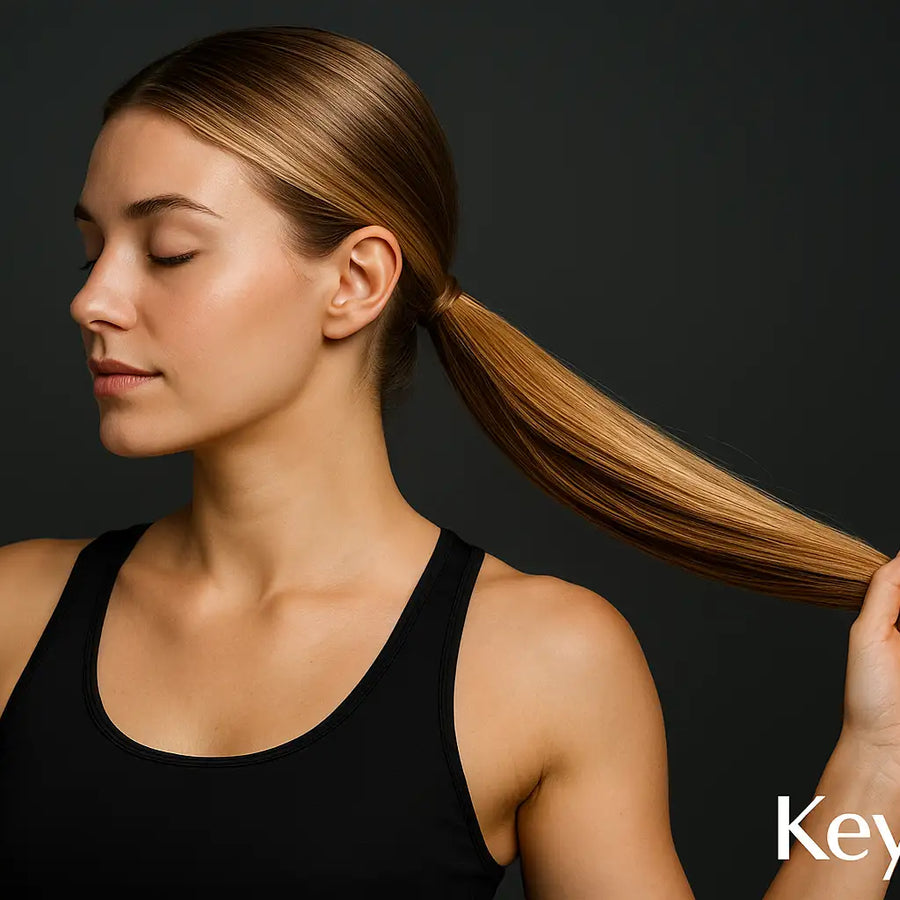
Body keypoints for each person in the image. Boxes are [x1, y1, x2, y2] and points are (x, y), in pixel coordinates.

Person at [0, 24, 897, 899]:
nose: (91, 299)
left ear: (356, 282)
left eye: (169, 252)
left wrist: (878, 765)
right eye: (91, 251)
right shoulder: (14, 612)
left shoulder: (542, 660)